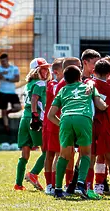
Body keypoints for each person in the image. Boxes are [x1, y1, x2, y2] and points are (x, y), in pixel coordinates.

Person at [48, 65, 107, 199]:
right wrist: (106, 105)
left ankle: (57, 189)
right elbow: (100, 105)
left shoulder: (62, 90)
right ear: (79, 77)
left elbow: (50, 115)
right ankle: (80, 185)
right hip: (83, 118)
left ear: (65, 79)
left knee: (63, 155)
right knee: (86, 153)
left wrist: (62, 124)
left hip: (66, 119)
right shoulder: (88, 87)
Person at [85, 59, 110, 199]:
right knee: (109, 156)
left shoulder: (88, 84)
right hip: (105, 126)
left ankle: (89, 189)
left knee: (91, 157)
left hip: (89, 124)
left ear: (94, 71)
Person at [14, 58, 51, 191]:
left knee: (25, 153)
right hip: (34, 119)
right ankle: (33, 174)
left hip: (24, 118)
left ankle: (18, 183)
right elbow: (35, 98)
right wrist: (35, 115)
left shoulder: (28, 84)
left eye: (47, 68)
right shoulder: (41, 84)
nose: (46, 71)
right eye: (43, 68)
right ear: (36, 70)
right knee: (47, 151)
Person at [43, 58, 64, 195]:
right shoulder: (54, 84)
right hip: (53, 122)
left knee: (56, 154)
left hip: (56, 121)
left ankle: (54, 184)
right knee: (52, 154)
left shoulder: (57, 84)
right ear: (57, 72)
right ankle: (50, 184)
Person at [0, 53, 21, 133]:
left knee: (18, 107)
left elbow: (17, 79)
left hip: (12, 92)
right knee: (3, 110)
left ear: (7, 60)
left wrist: (6, 78)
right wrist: (0, 74)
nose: (3, 63)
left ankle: (9, 112)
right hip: (2, 91)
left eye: (4, 61)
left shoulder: (14, 68)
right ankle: (6, 127)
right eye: (1, 61)